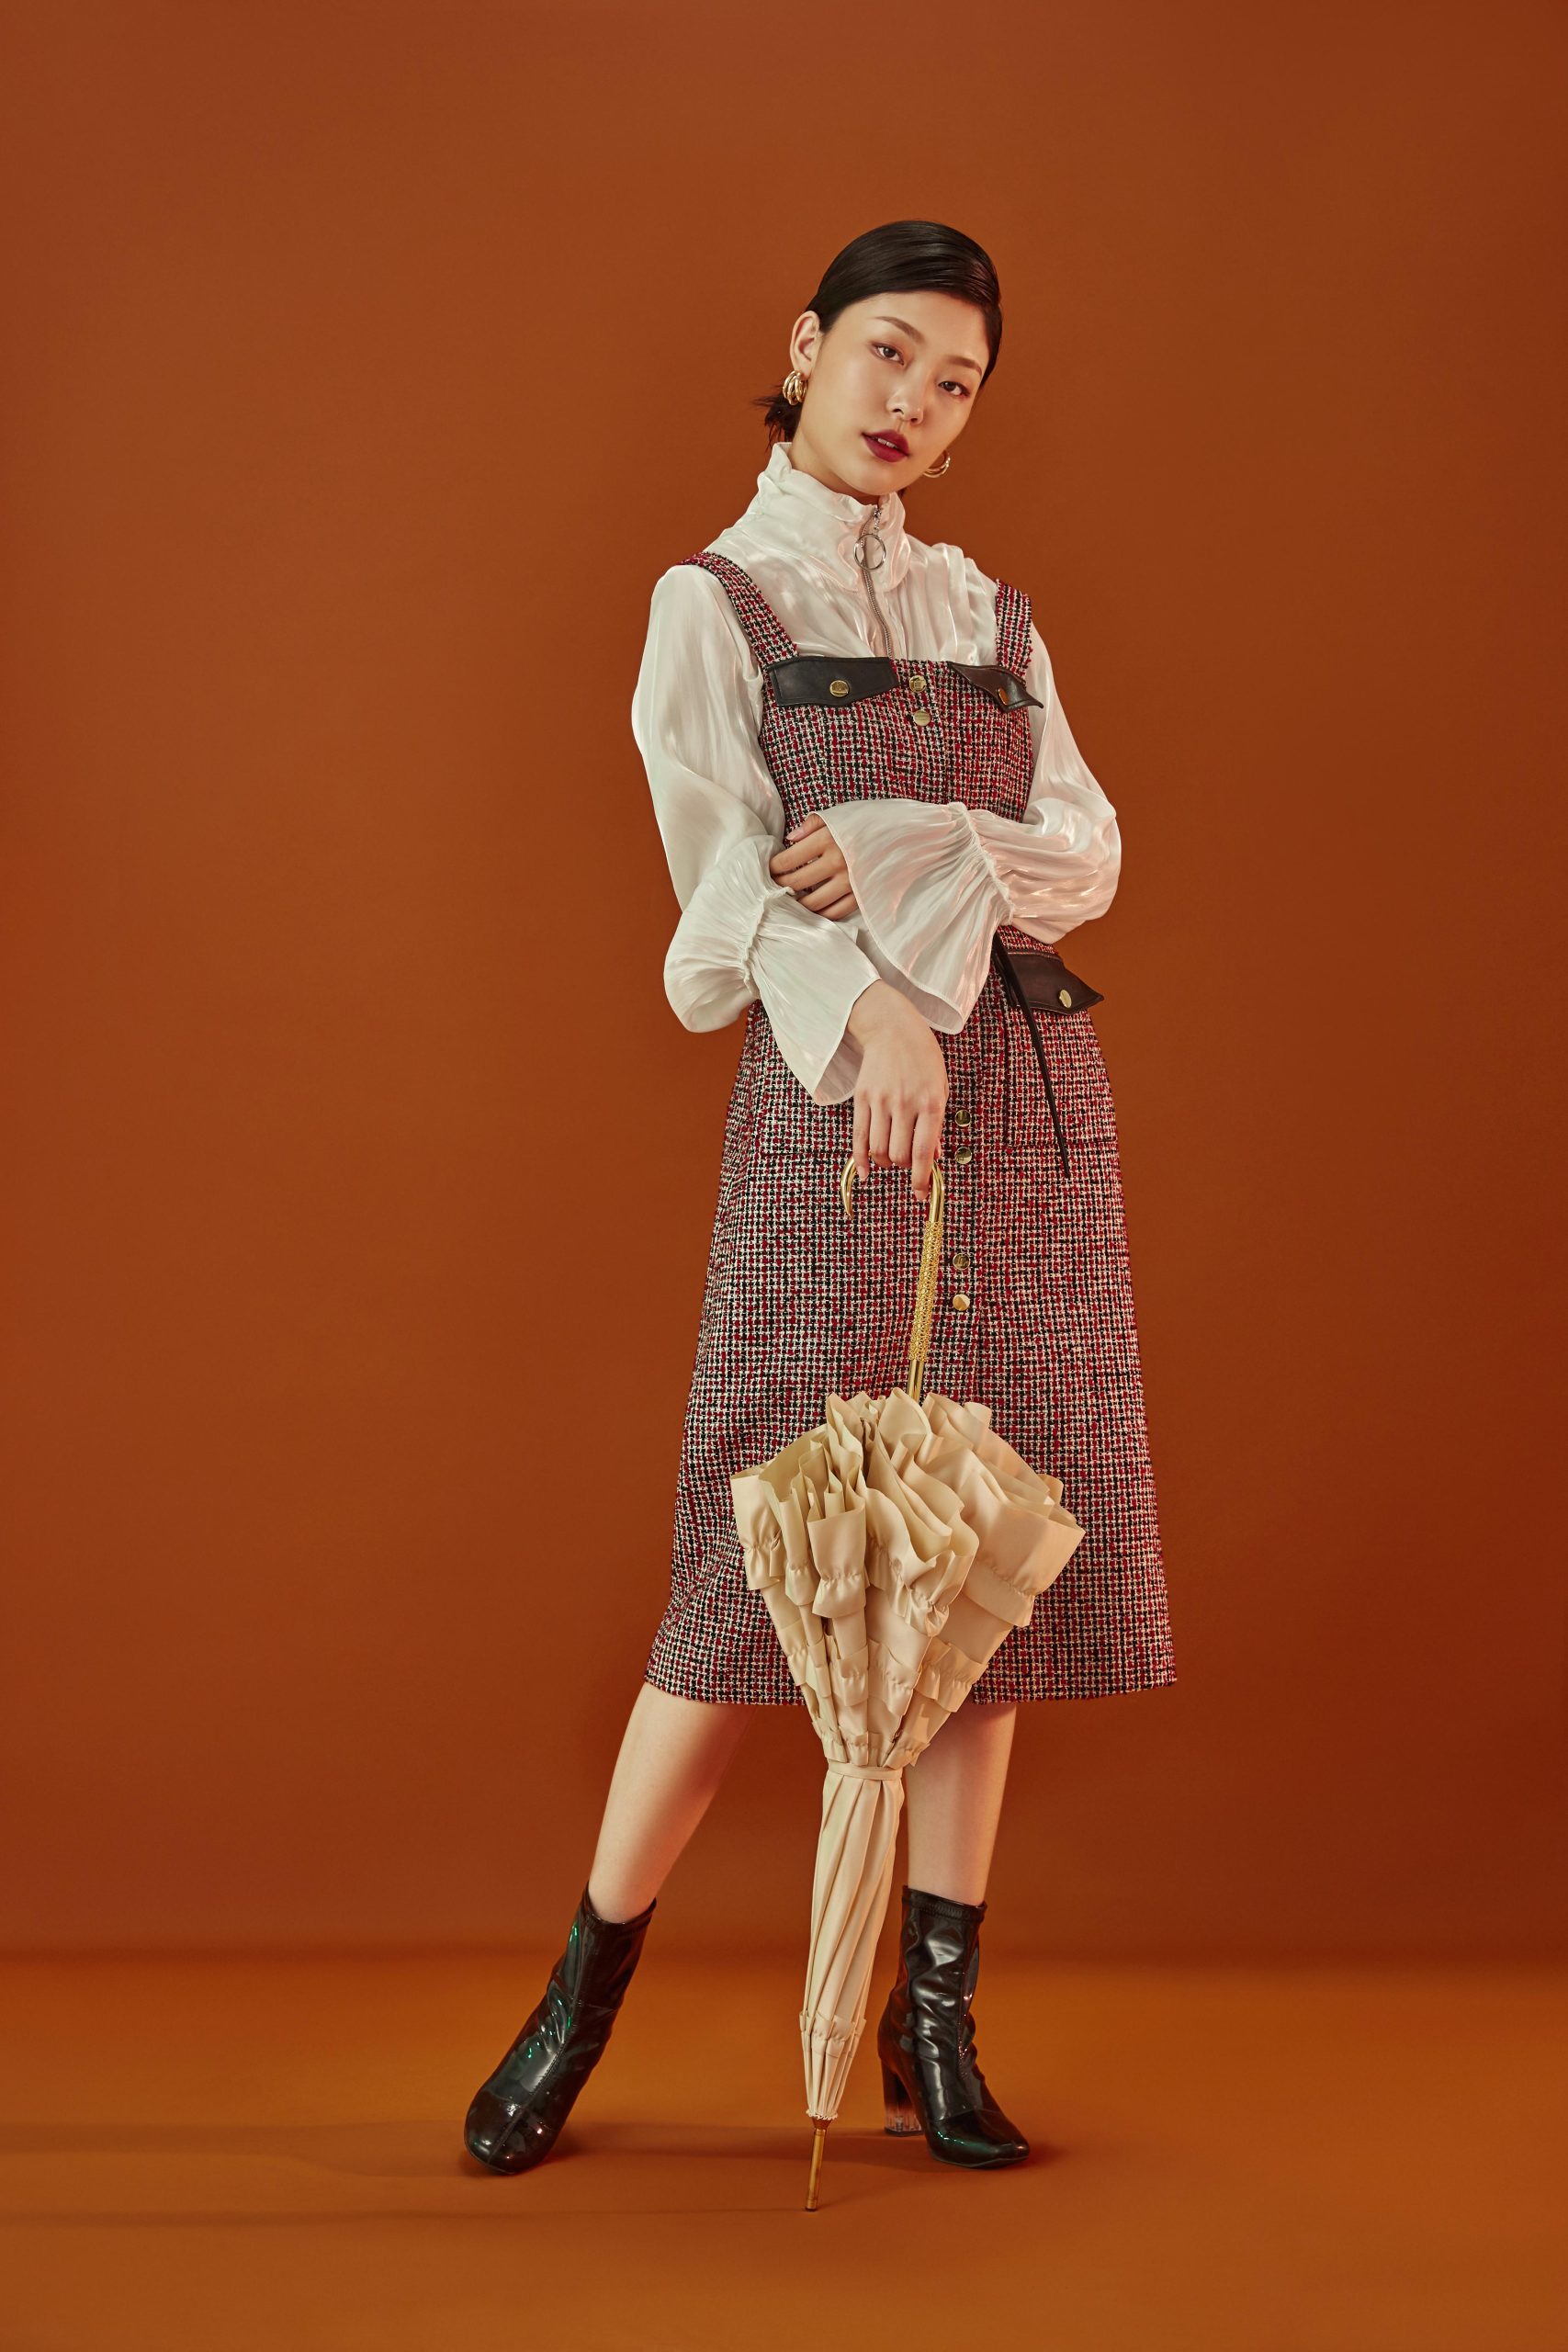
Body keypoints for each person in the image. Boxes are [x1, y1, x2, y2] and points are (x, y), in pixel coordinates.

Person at [462, 219, 1176, 2180]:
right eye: (887, 353)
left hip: (1029, 1111)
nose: (913, 404)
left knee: (987, 1557)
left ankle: (932, 2028)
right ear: (805, 344)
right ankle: (576, 1998)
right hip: (834, 1117)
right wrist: (870, 1007)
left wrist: (902, 835)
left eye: (955, 382)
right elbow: (722, 902)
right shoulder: (712, 600)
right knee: (746, 1566)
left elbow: (1086, 853)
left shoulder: (990, 608)